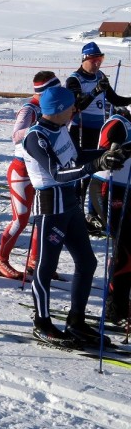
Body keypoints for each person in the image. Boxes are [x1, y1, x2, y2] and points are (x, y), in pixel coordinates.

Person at [22, 85, 123, 347]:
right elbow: (57, 174)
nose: (74, 110)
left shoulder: (60, 129)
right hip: (50, 210)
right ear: (57, 110)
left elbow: (76, 157)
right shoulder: (36, 138)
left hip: (70, 206)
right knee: (46, 268)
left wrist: (108, 155)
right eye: (70, 107)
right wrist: (95, 166)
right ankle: (41, 323)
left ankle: (76, 320)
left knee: (87, 262)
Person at [0, 72, 60, 280]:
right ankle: (1, 261)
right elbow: (16, 136)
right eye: (53, 90)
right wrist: (39, 126)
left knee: (42, 219)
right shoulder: (29, 109)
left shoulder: (51, 107)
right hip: (21, 171)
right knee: (20, 220)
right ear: (44, 92)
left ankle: (34, 260)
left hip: (40, 171)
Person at [66, 41, 131, 230]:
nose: (97, 64)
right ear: (84, 59)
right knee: (82, 172)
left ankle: (92, 214)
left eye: (100, 59)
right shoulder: (74, 79)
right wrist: (96, 90)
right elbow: (78, 105)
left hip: (99, 130)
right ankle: (77, 214)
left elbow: (114, 99)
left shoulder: (100, 76)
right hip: (80, 128)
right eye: (94, 60)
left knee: (97, 170)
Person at [88, 109, 131, 325]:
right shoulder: (119, 123)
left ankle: (121, 303)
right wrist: (119, 150)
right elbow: (107, 149)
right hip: (109, 189)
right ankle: (116, 310)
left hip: (125, 189)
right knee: (123, 250)